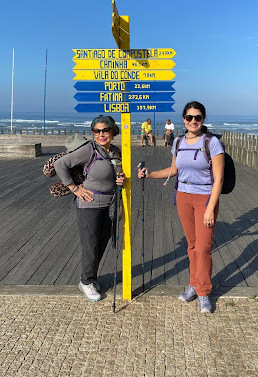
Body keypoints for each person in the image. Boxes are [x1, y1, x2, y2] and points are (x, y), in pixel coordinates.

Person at [137, 102, 224, 313]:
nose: (193, 121)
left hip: (205, 197)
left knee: (203, 247)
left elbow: (219, 179)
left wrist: (211, 208)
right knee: (192, 245)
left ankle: (203, 292)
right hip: (183, 196)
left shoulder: (212, 143)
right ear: (183, 119)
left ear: (203, 119)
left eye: (198, 117)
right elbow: (174, 170)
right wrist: (149, 175)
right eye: (189, 117)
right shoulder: (178, 141)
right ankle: (194, 284)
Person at [54, 116, 125, 302]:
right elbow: (60, 164)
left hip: (109, 204)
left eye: (105, 130)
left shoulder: (116, 151)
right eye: (97, 131)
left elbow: (118, 173)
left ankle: (91, 278)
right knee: (90, 245)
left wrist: (121, 179)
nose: (101, 134)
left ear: (112, 131)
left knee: (101, 243)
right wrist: (74, 188)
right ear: (93, 133)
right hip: (89, 204)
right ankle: (86, 281)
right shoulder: (89, 149)